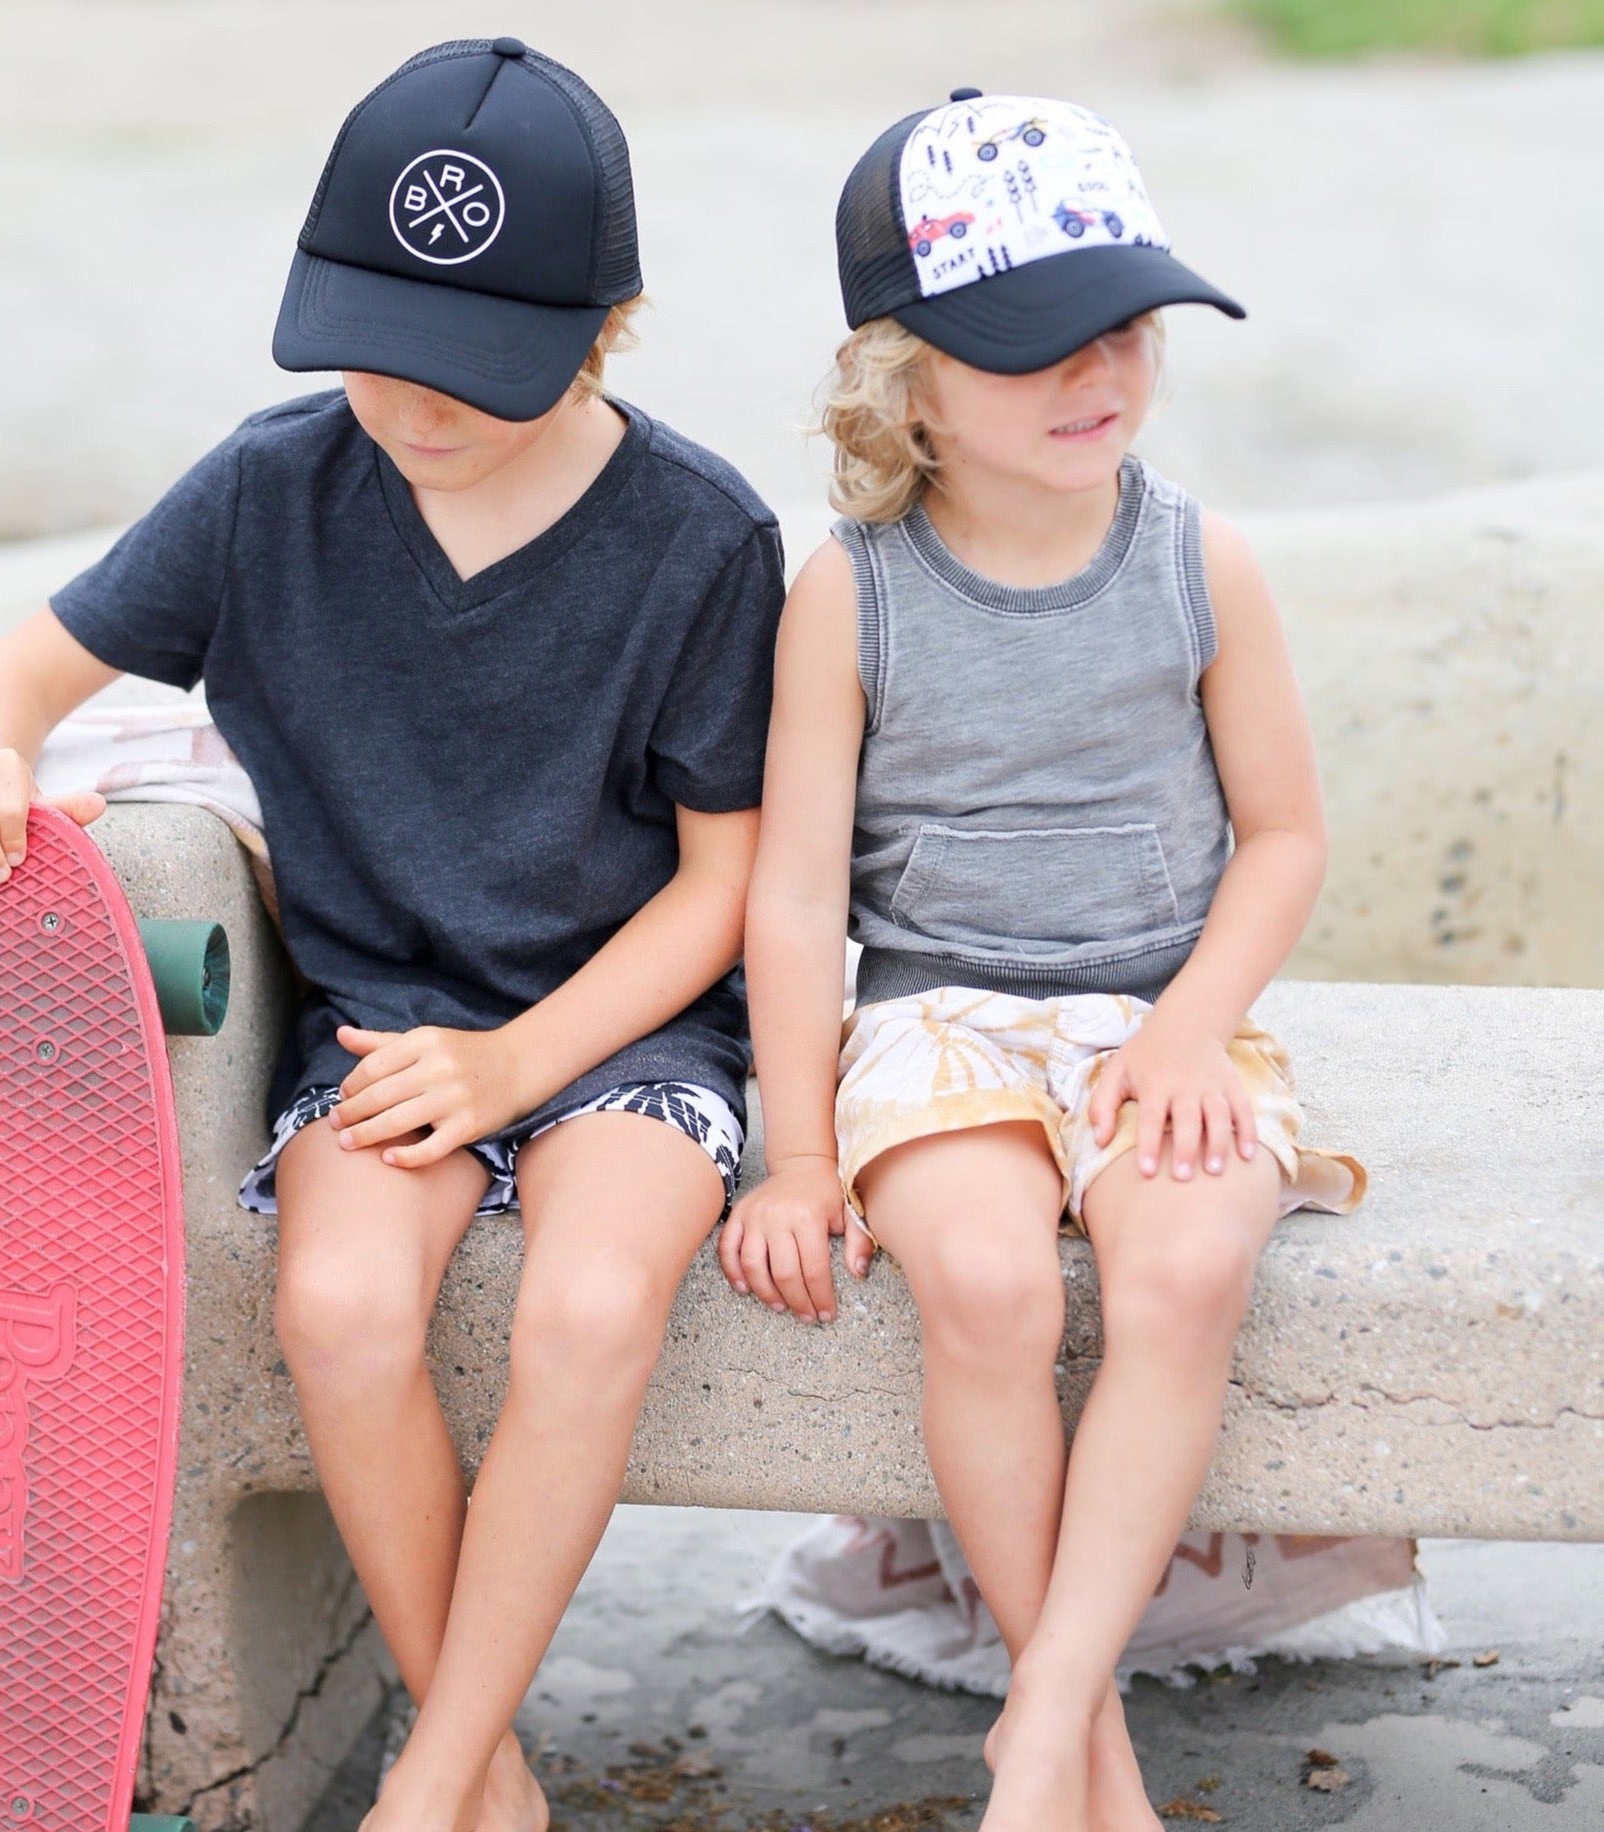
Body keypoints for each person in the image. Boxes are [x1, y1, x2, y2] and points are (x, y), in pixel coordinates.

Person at [0, 39, 783, 1832]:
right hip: (384, 1024)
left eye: (471, 367)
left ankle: (434, 1777)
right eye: (373, 346)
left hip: (622, 1030)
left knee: (593, 1301)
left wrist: (524, 1063)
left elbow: (723, 885)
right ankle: (501, 1781)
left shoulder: (701, 540)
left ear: (605, 323)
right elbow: (22, 669)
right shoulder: (268, 490)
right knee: (340, 1303)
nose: (413, 402)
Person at [720, 92, 1363, 1832]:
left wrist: (1194, 1035)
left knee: (1186, 1269)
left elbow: (1285, 838)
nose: (1099, 376)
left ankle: (1049, 1715)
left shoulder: (1195, 562)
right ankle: (1094, 1755)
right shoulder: (849, 595)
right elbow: (794, 900)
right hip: (935, 1017)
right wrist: (794, 1154)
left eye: (1128, 331)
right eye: (1031, 350)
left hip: (1163, 1016)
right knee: (991, 1285)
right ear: (900, 379)